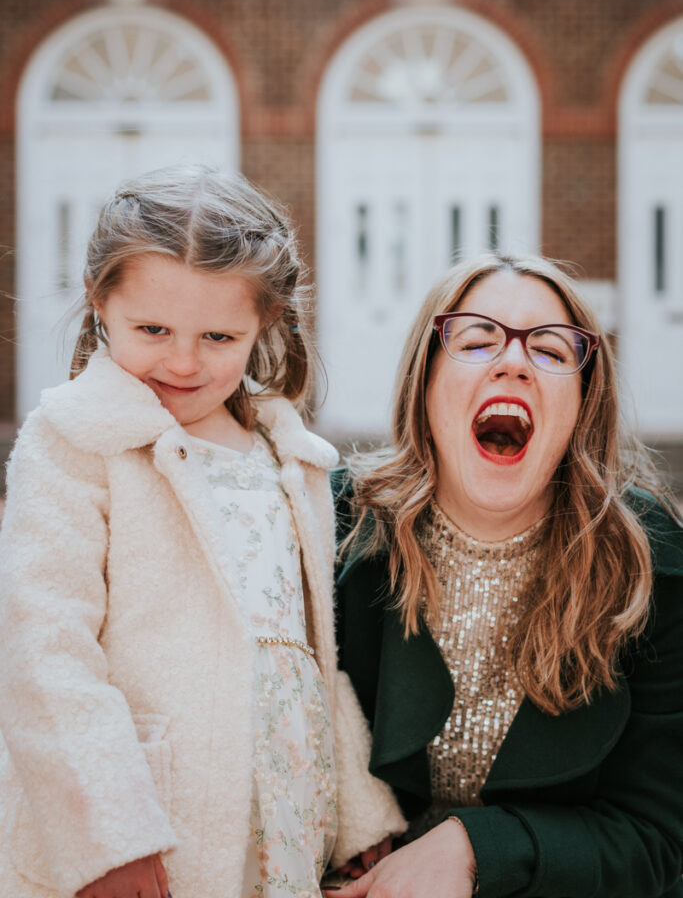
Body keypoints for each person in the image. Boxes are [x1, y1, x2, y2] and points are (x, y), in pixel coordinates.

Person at [0, 166, 405, 898]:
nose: (182, 362)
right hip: (144, 830)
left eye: (218, 336)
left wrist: (359, 820)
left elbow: (313, 657)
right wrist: (108, 840)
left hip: (283, 824)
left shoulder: (291, 461)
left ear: (265, 326)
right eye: (152, 329)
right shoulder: (73, 444)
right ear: (99, 303)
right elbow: (45, 657)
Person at [329, 253, 683, 898]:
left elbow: (658, 838)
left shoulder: (651, 562)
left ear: (583, 402)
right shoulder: (333, 526)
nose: (513, 361)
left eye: (550, 351)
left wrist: (477, 848)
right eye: (476, 339)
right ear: (426, 383)